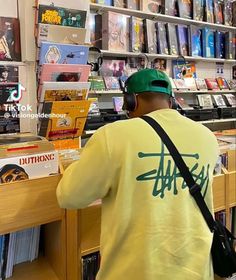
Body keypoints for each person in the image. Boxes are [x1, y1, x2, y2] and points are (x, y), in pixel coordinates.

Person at [57, 68, 219, 280]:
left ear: (131, 101)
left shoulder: (112, 136)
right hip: (196, 270)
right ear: (171, 101)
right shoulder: (206, 136)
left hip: (134, 271)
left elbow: (69, 196)